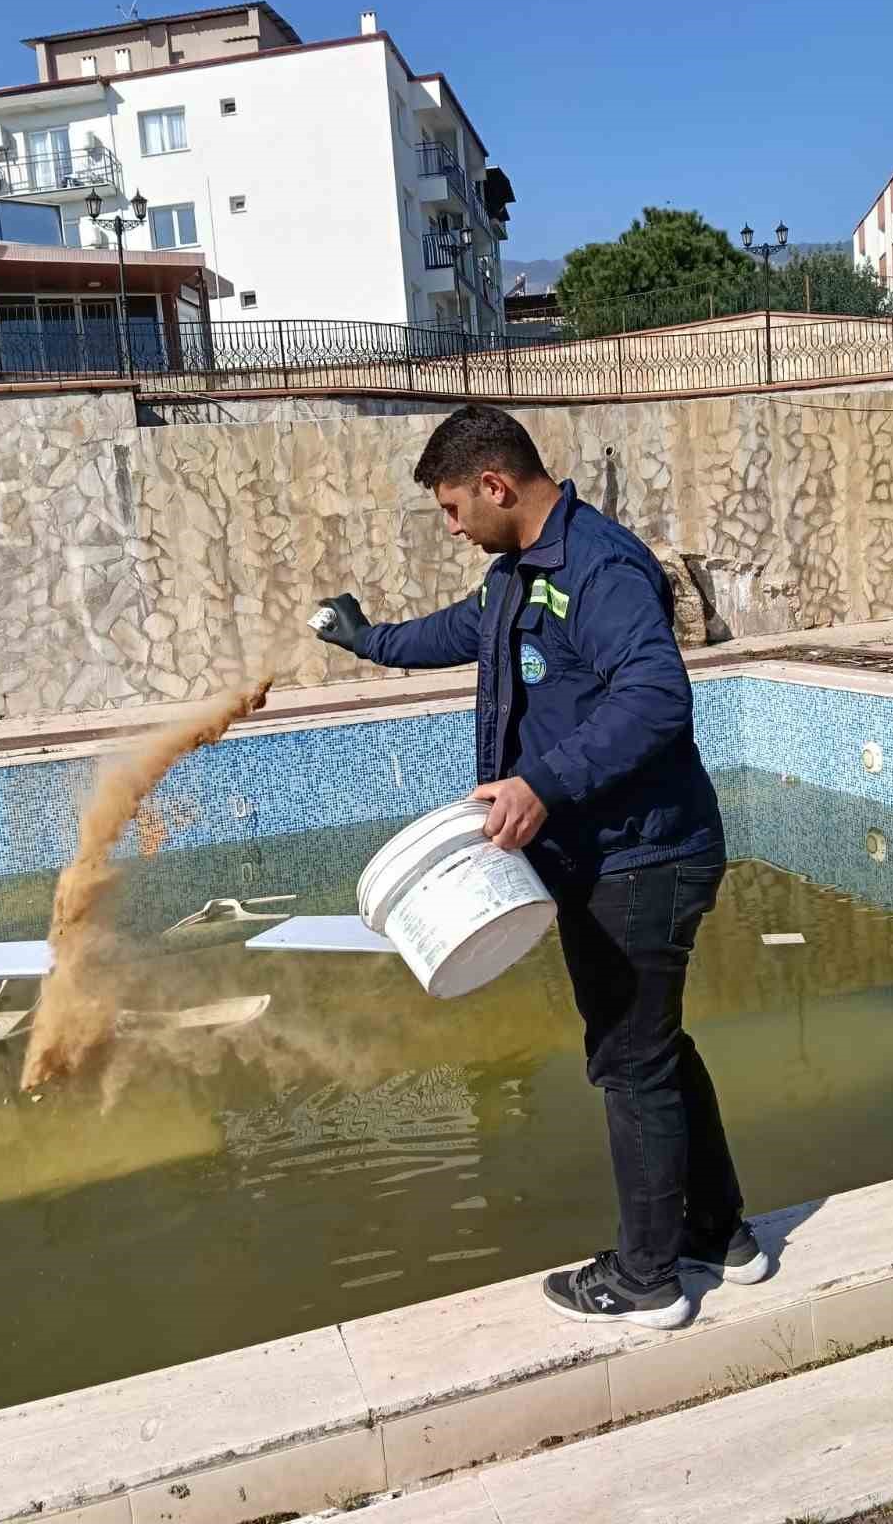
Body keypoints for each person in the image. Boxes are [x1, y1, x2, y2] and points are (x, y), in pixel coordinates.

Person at [315, 403, 768, 1329]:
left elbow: (656, 696)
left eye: (451, 509)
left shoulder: (598, 568)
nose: (450, 528)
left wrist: (542, 783)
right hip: (608, 855)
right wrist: (369, 640)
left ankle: (646, 1282)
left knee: (629, 1063)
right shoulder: (518, 574)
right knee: (655, 1050)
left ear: (495, 484)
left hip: (641, 859)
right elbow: (458, 632)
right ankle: (720, 1235)